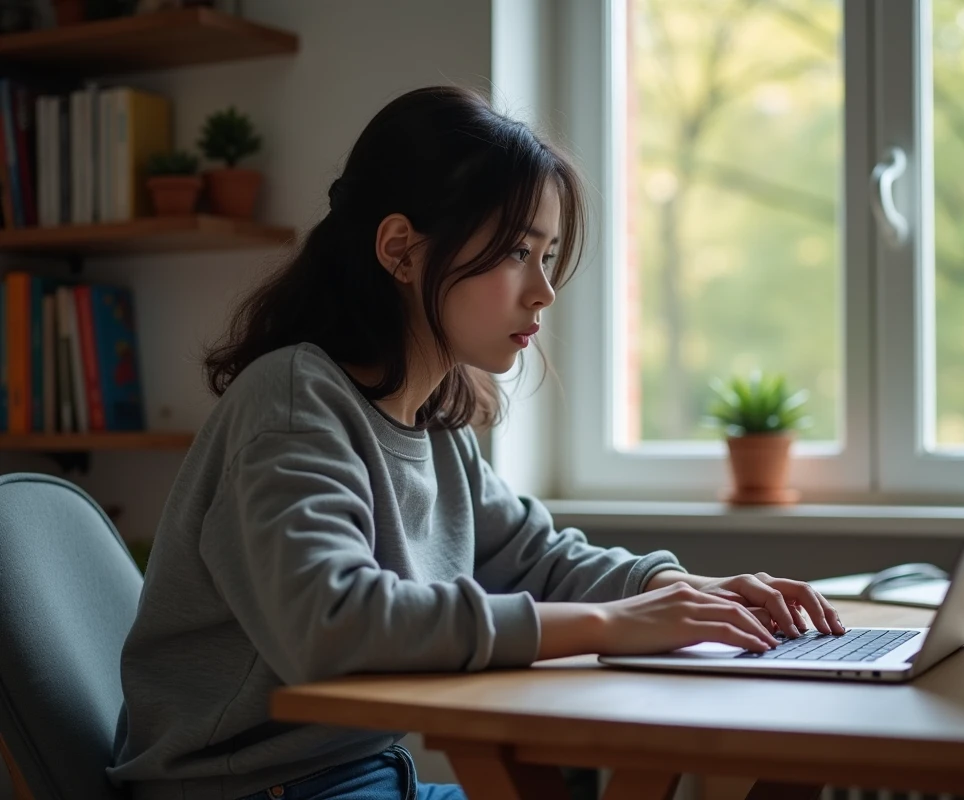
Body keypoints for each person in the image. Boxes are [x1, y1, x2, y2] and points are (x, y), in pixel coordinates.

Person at [106, 85, 845, 800]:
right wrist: (614, 624)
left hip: (364, 776)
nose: (543, 291)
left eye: (547, 256)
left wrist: (680, 589)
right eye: (517, 251)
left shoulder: (434, 425)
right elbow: (330, 625)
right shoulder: (294, 402)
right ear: (400, 250)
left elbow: (537, 559)